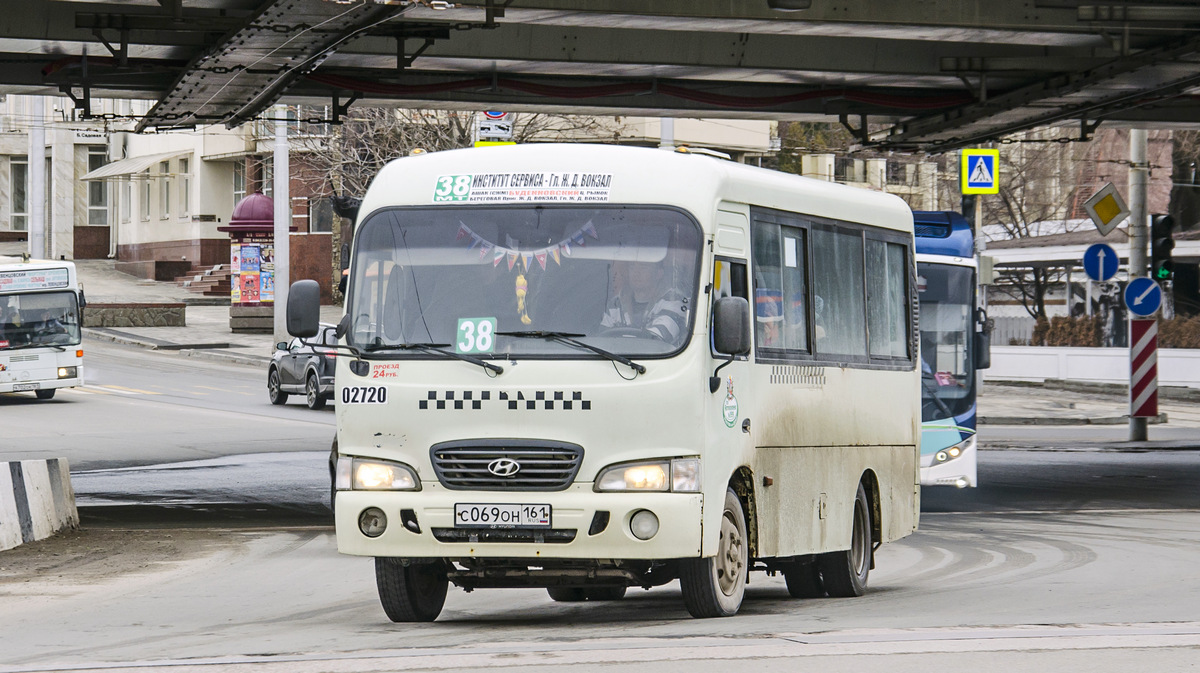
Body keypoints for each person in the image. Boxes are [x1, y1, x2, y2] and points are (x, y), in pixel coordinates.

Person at [600, 260, 688, 344]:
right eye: (632, 267)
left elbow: (656, 342)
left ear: (659, 273)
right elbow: (601, 341)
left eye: (643, 267)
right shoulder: (616, 304)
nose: (636, 272)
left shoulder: (674, 302)